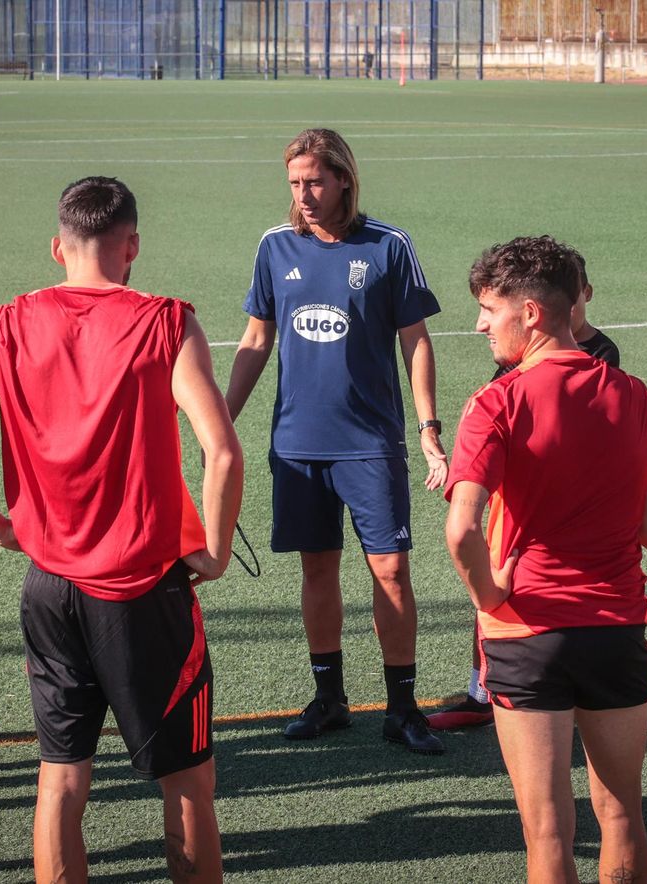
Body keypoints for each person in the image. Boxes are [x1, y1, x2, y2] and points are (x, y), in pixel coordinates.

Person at [0, 176, 242, 884]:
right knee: (186, 782)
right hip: (142, 590)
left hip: (50, 589)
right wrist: (212, 551)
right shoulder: (166, 321)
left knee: (60, 780)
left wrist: (0, 527)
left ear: (58, 247)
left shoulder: (6, 323)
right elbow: (221, 450)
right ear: (133, 248)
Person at [445, 235, 647, 883]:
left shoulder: (495, 403)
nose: (482, 325)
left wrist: (488, 594)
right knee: (622, 813)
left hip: (526, 633)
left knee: (548, 831)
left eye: (490, 309)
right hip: (617, 629)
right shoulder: (638, 398)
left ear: (533, 313)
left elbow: (461, 530)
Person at [224, 128, 447, 754]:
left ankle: (402, 708)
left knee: (392, 571)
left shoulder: (387, 246)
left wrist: (428, 429)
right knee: (317, 570)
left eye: (315, 182)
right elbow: (255, 342)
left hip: (370, 443)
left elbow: (416, 342)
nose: (305, 195)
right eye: (295, 184)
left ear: (344, 177)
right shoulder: (275, 247)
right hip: (297, 444)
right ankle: (330, 697)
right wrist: (222, 420)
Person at [429, 248, 620, 732]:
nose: (480, 325)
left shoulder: (600, 360)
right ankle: (482, 688)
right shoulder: (517, 364)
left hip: (551, 545)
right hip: (606, 604)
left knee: (498, 592)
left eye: (490, 311)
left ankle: (500, 693)